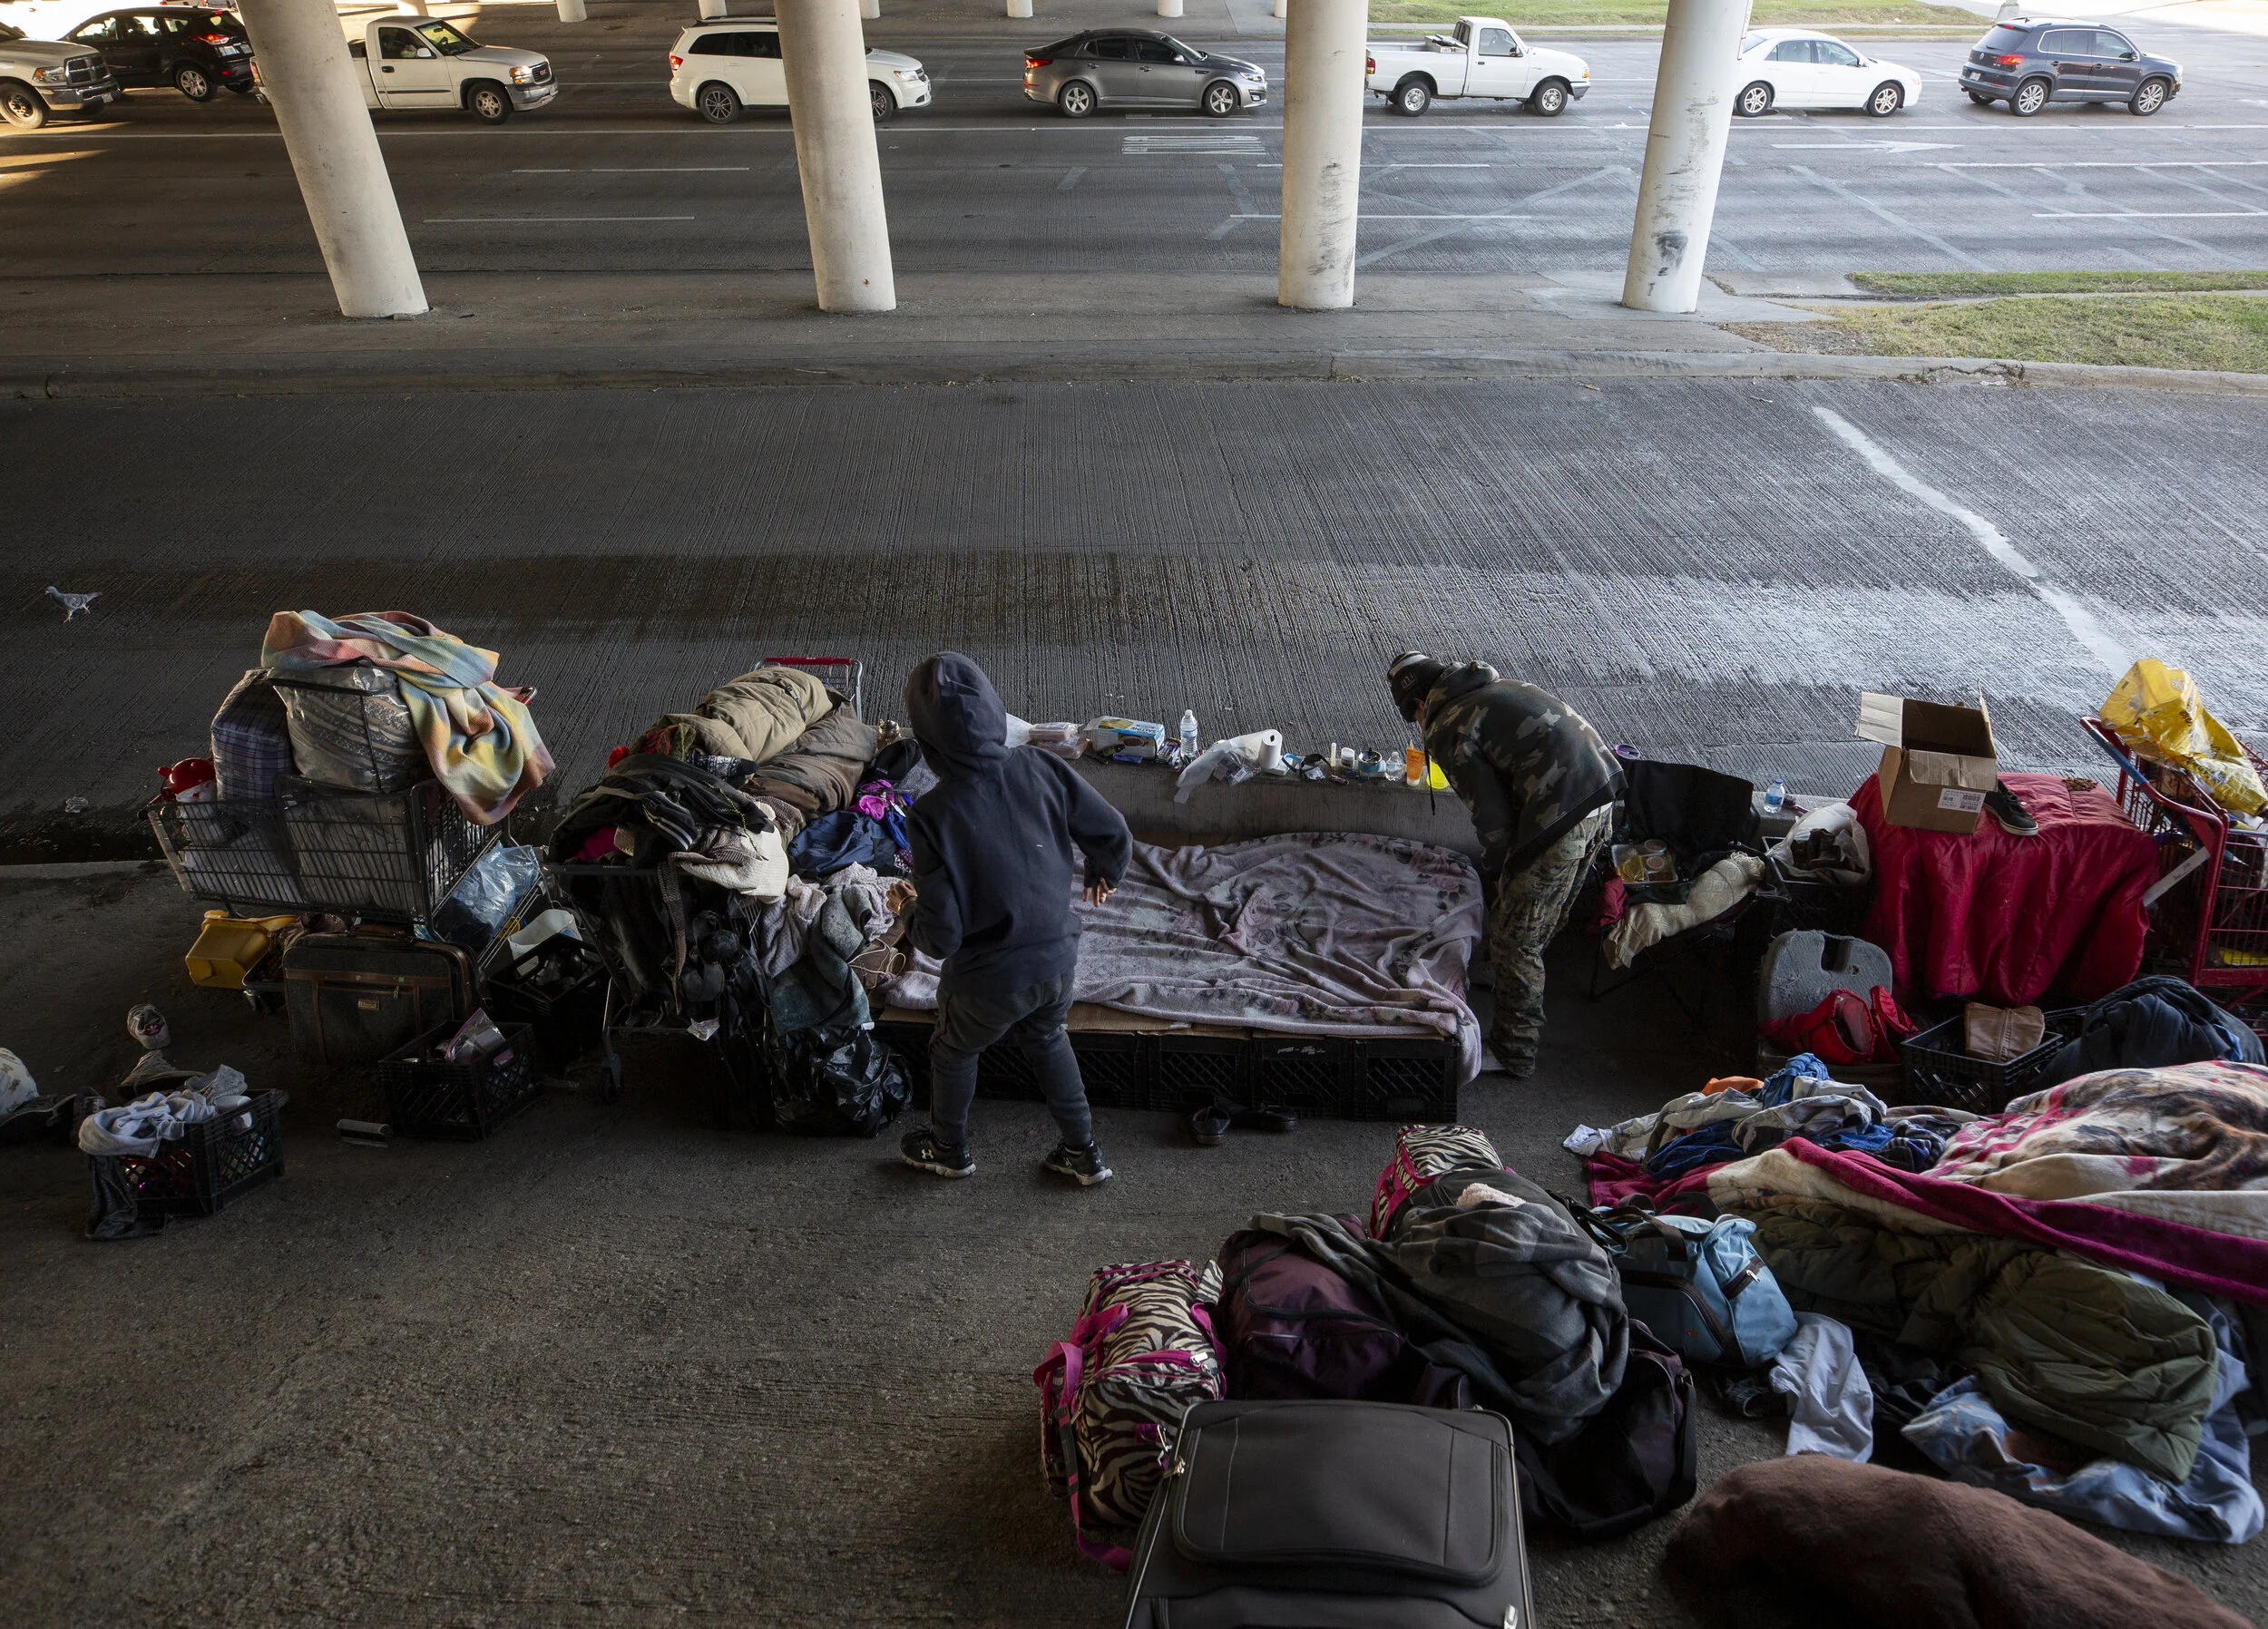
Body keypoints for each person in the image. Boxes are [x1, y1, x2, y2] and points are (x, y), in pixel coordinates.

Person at [898, 652, 1132, 1185]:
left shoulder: (931, 815)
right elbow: (1112, 829)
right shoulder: (1042, 765)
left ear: (928, 744)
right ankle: (1083, 1152)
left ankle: (949, 1149)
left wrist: (907, 910)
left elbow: (942, 936)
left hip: (987, 980)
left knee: (953, 1050)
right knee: (1048, 1038)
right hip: (1056, 961)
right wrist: (1104, 871)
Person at [1388, 652, 1620, 1078]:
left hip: (1560, 816)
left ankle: (1514, 1049)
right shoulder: (1491, 687)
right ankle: (1509, 979)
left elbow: (1491, 816)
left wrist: (1499, 867)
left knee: (1519, 939)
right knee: (1538, 913)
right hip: (1601, 796)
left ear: (1417, 705)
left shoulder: (1447, 724)